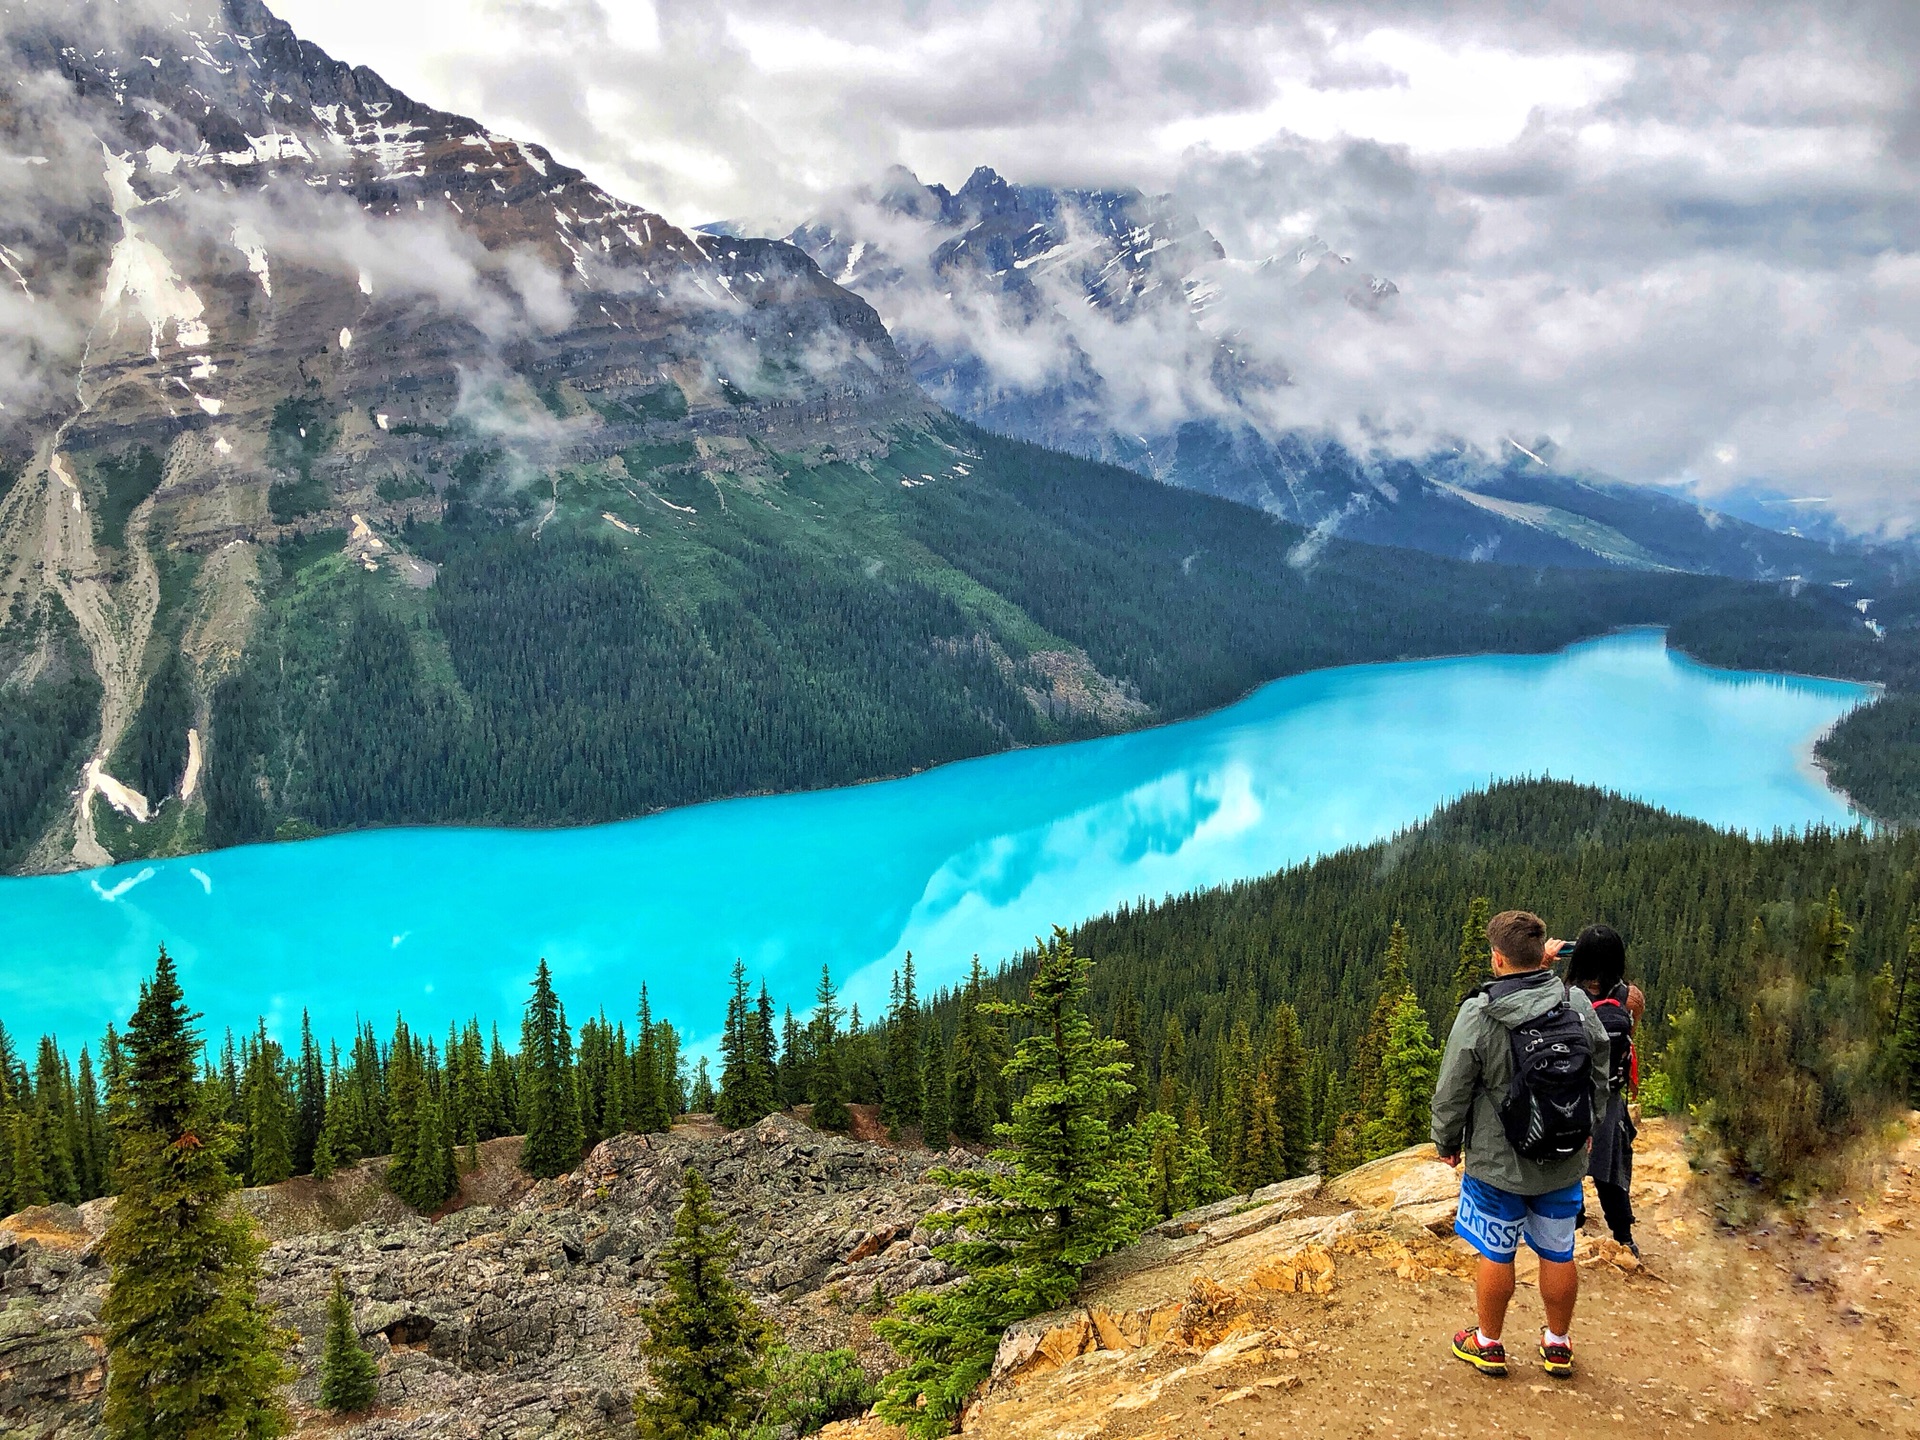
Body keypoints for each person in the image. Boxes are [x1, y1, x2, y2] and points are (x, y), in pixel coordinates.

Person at [1431, 909, 1611, 1380]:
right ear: (1542, 955)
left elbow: (1453, 1086)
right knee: (1558, 1251)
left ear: (1497, 958)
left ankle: (1488, 1344)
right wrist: (1587, 1121)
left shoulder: (1481, 1012)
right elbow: (1597, 1064)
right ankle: (1558, 1344)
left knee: (1497, 1253)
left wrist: (1447, 1140)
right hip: (1564, 1155)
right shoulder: (1574, 1001)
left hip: (1498, 1162)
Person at [1552, 925, 1644, 1255]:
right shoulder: (1629, 996)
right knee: (1611, 1170)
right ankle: (1623, 1236)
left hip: (1569, 1097)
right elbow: (1631, 1035)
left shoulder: (1563, 995)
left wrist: (1547, 959)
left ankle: (1572, 1222)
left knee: (1568, 1165)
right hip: (1610, 1096)